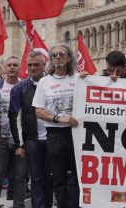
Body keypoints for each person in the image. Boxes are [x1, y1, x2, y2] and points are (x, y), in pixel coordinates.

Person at [33, 45, 80, 208]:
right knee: (58, 179)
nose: (58, 57)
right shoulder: (44, 82)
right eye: (54, 55)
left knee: (77, 177)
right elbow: (38, 112)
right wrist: (59, 119)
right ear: (51, 60)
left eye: (62, 54)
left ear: (69, 58)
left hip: (77, 135)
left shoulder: (79, 79)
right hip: (55, 135)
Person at [9, 51, 52, 208]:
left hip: (51, 138)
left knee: (50, 177)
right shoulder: (19, 89)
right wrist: (19, 144)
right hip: (31, 140)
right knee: (36, 178)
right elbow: (14, 118)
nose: (32, 68)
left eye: (36, 65)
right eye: (30, 65)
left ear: (44, 65)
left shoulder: (52, 84)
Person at [0, 56, 27, 208]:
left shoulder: (25, 86)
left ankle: (19, 205)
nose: (12, 67)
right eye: (9, 65)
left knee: (20, 176)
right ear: (5, 68)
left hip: (20, 140)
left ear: (20, 68)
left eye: (15, 65)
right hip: (1, 138)